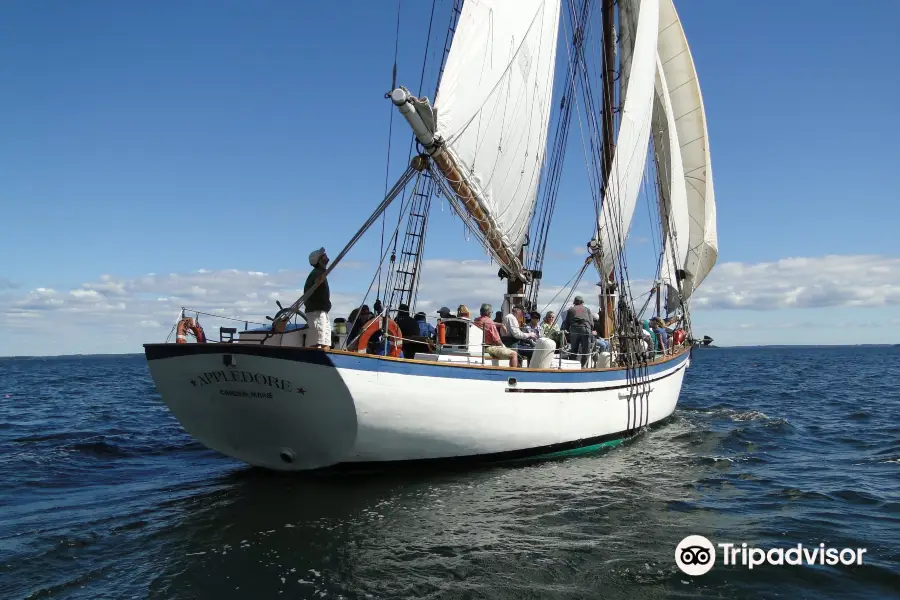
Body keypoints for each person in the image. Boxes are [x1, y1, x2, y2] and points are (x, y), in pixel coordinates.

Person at [304, 247, 332, 349]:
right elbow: (316, 283)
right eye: (323, 255)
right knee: (319, 343)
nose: (326, 255)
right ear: (320, 260)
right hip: (317, 313)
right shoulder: (317, 273)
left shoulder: (319, 273)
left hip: (320, 312)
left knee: (324, 342)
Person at [561, 296, 594, 368]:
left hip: (574, 329)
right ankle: (583, 365)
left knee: (574, 348)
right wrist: (590, 330)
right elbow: (592, 323)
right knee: (586, 349)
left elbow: (567, 322)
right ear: (582, 302)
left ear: (574, 303)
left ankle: (574, 365)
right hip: (585, 328)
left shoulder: (571, 310)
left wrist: (566, 330)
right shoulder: (587, 310)